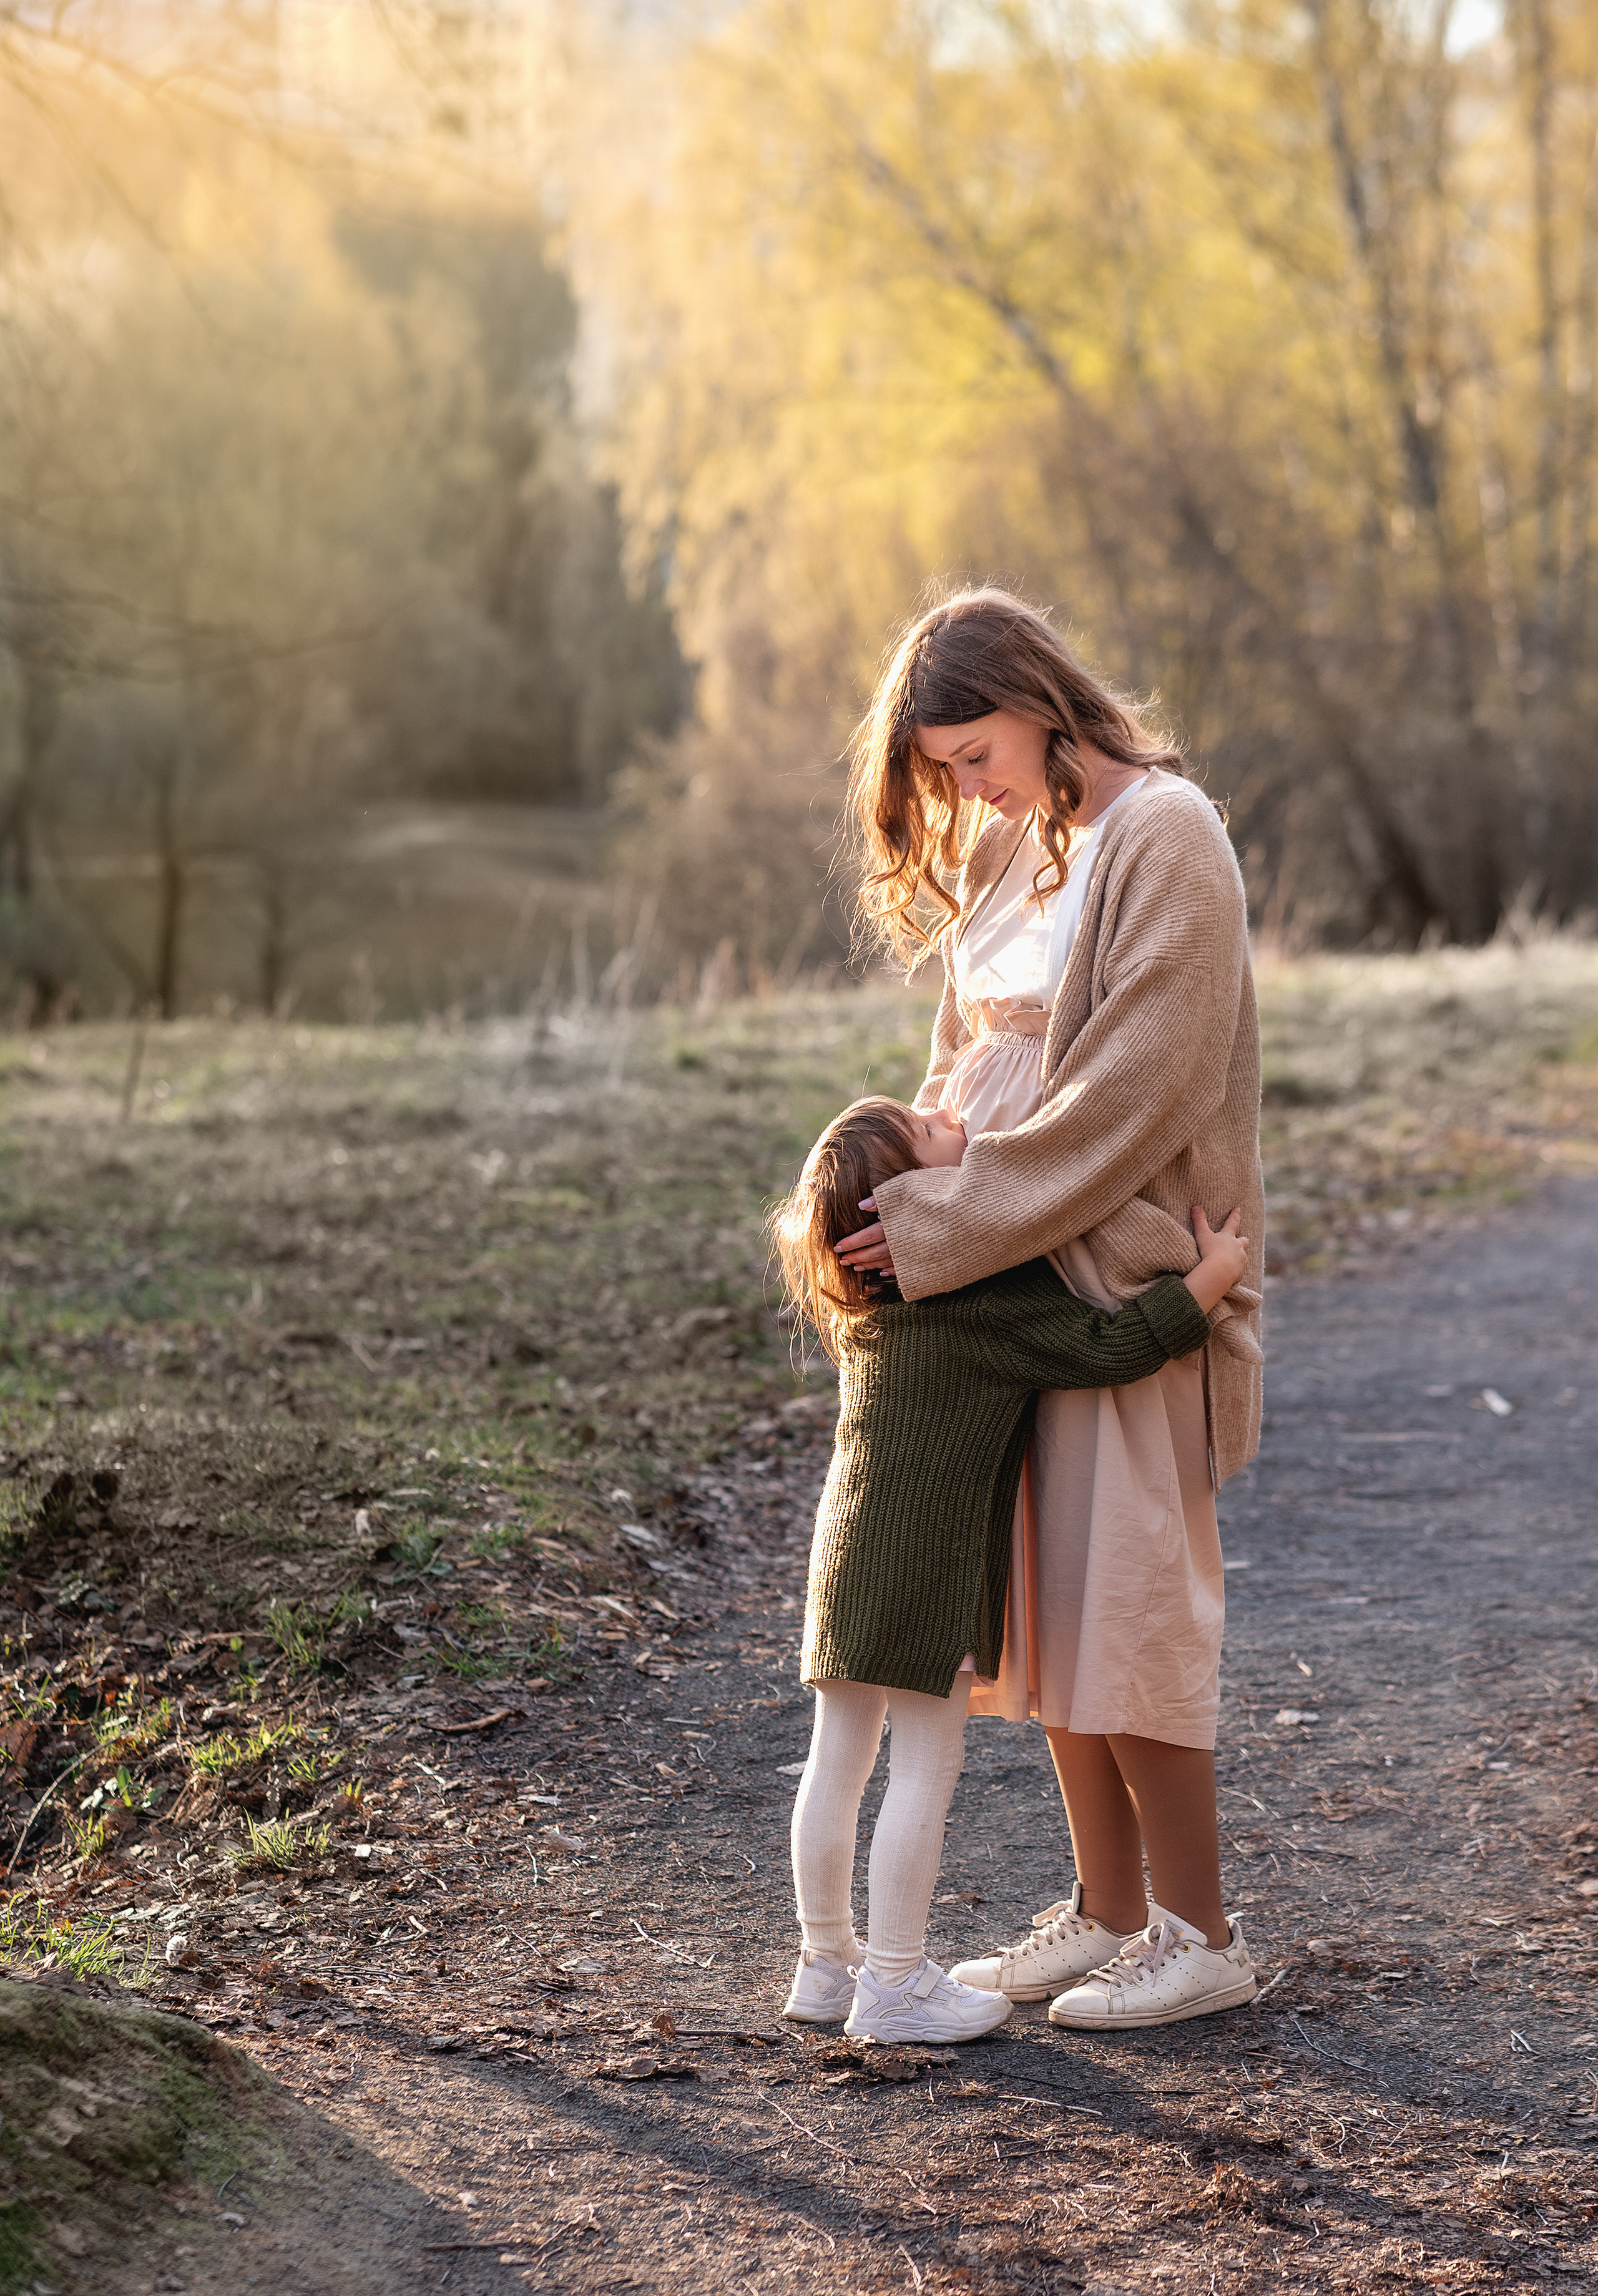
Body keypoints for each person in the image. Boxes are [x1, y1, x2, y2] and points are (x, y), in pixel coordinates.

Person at [835, 586, 1265, 2031]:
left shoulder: (1167, 834)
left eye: (975, 755)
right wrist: (897, 1200)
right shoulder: (1013, 844)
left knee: (1130, 1605)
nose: (969, 790)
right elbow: (957, 1054)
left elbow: (1134, 1094)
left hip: (1114, 1264)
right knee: (1052, 1612)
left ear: (1034, 698)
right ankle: (1105, 1912)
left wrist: (949, 1216)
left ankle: (1198, 1936)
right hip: (1006, 1275)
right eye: (945, 771)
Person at [771, 1091, 1249, 2044]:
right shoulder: (979, 1296)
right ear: (914, 1201)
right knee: (923, 1764)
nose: (949, 1110)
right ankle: (896, 1983)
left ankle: (826, 1964)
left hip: (845, 1564)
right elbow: (1111, 1345)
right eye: (928, 1128)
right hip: (931, 1572)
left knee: (836, 1762)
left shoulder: (868, 1309)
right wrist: (1215, 1275)